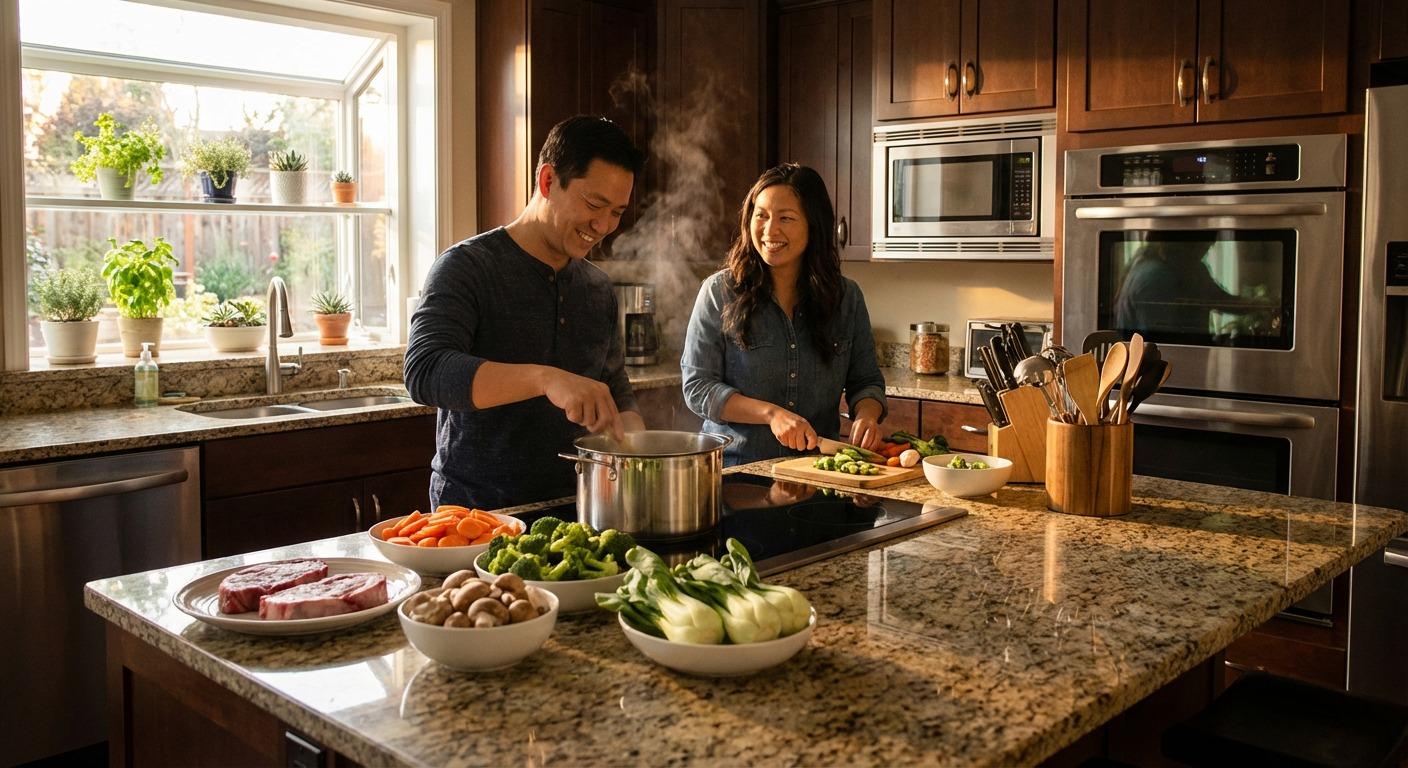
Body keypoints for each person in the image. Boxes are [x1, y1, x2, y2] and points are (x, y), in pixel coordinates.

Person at [404, 116, 647, 510]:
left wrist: (635, 441)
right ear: (548, 181)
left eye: (617, 212)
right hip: (476, 516)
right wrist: (545, 379)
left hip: (578, 509)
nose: (603, 226)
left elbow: (613, 385)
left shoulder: (598, 289)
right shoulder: (467, 267)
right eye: (594, 204)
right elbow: (426, 372)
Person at [681, 163, 888, 466]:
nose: (769, 229)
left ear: (813, 225)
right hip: (735, 473)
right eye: (761, 215)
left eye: (786, 218)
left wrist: (867, 416)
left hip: (818, 473)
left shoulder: (847, 299)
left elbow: (866, 381)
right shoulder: (718, 292)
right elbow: (698, 387)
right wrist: (771, 414)